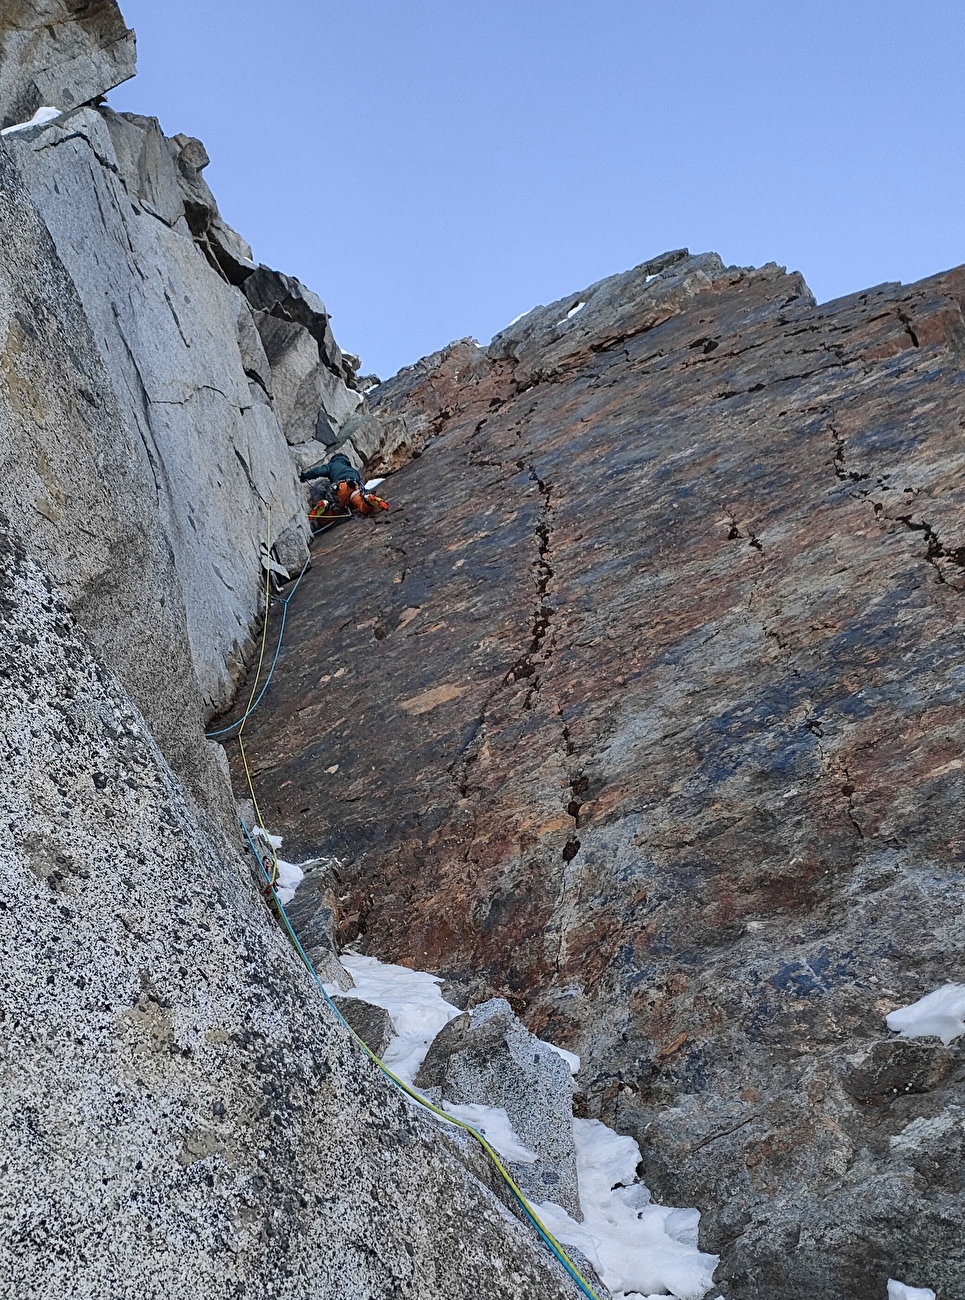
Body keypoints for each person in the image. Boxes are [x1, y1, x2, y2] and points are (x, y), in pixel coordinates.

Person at [301, 453, 388, 522]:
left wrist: (305, 476)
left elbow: (318, 471)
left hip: (340, 489)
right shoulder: (352, 470)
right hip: (354, 488)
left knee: (332, 513)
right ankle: (367, 500)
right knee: (362, 507)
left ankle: (325, 506)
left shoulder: (332, 465)